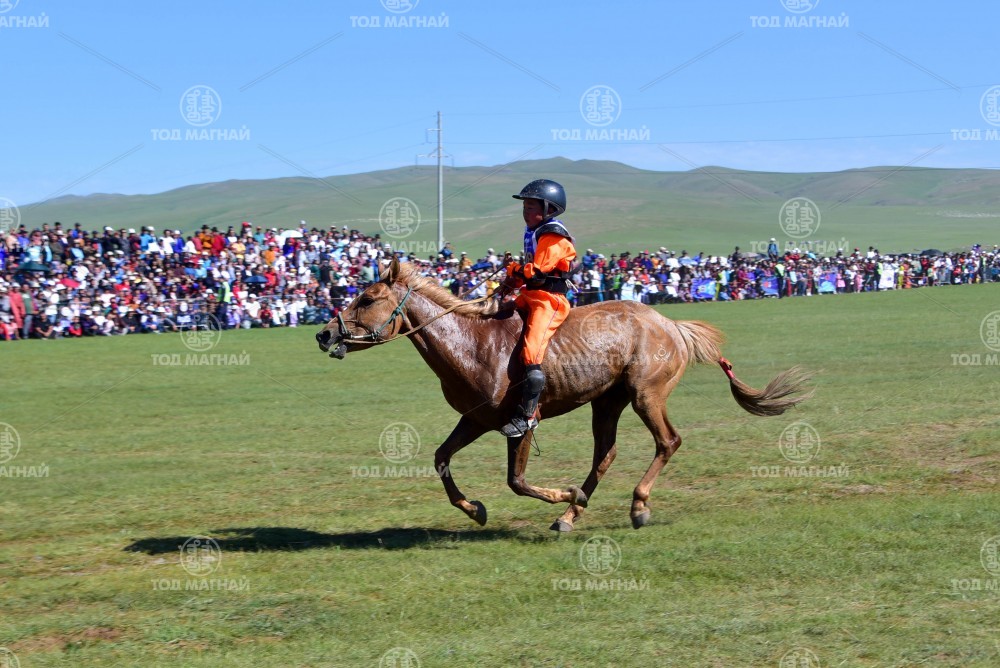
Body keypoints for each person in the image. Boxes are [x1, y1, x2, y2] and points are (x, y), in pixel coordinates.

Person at [498, 179, 577, 438]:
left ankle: (528, 416)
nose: (525, 212)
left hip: (549, 300)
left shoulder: (553, 235)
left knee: (532, 349)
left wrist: (513, 269)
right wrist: (511, 282)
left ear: (548, 209)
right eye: (524, 207)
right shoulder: (534, 231)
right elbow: (528, 275)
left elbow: (537, 272)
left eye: (531, 207)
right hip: (531, 295)